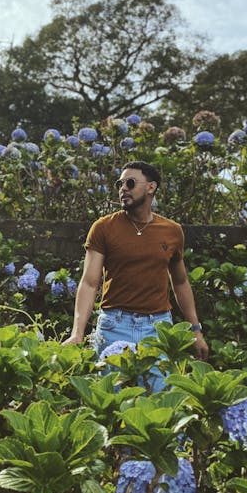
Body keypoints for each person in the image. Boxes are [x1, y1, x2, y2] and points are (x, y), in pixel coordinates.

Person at [63, 161, 209, 377]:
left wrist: (195, 331)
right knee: (112, 398)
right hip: (115, 325)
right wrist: (77, 332)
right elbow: (89, 282)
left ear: (151, 187)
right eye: (119, 184)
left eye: (130, 183)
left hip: (158, 328)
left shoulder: (172, 231)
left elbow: (180, 282)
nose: (123, 189)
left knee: (158, 400)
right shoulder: (103, 227)